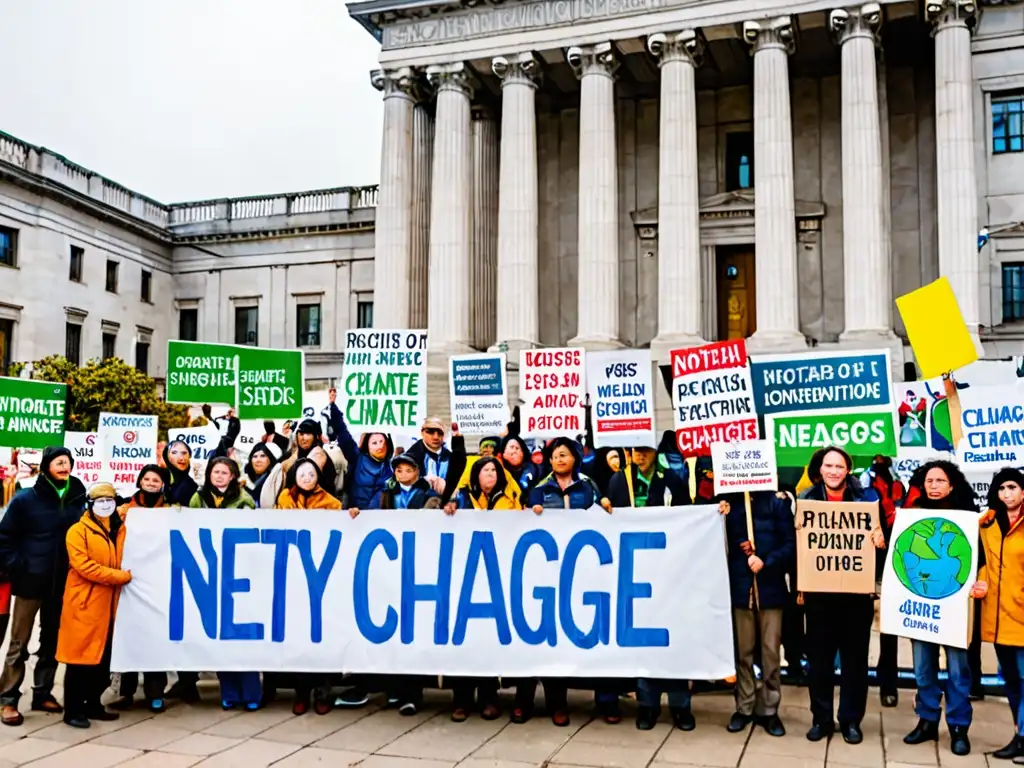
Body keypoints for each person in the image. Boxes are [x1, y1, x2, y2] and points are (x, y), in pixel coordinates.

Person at [599, 444, 694, 731]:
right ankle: (648, 705)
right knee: (645, 641)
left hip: (668, 568)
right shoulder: (619, 480)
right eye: (635, 450)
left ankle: (681, 707)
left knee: (672, 638)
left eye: (645, 450)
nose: (639, 455)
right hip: (635, 570)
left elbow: (687, 516)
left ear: (655, 452)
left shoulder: (671, 479)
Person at [798, 447, 886, 745]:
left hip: (855, 597)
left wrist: (880, 539)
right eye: (828, 465)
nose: (834, 471)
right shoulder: (806, 501)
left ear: (848, 470)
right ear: (819, 469)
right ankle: (821, 719)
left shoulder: (867, 499)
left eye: (839, 466)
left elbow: (883, 542)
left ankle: (850, 721)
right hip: (820, 597)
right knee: (819, 662)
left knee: (854, 662)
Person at [0, 446, 87, 726]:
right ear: (47, 466)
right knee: (19, 643)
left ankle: (43, 692)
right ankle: (8, 698)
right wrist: (18, 564)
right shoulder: (26, 498)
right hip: (29, 581)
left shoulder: (77, 497)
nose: (64, 466)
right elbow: (4, 537)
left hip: (63, 583)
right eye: (58, 462)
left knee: (52, 642)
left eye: (68, 462)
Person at [902, 459, 982, 757]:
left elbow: (980, 561)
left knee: (959, 670)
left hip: (956, 607)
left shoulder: (968, 518)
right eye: (929, 481)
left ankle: (959, 726)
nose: (934, 486)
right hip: (920, 607)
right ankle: (927, 719)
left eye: (940, 481)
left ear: (951, 484)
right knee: (923, 668)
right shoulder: (911, 517)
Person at [523, 437, 603, 727]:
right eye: (555, 455)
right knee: (534, 639)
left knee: (558, 642)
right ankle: (524, 700)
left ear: (574, 459)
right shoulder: (539, 489)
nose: (559, 459)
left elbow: (601, 519)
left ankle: (558, 703)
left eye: (564, 455)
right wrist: (531, 514)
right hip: (543, 573)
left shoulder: (588, 487)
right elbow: (523, 524)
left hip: (578, 572)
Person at [353, 453, 440, 715]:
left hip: (417, 569)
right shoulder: (384, 494)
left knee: (412, 635)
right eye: (399, 470)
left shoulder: (428, 494)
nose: (403, 474)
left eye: (408, 469)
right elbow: (368, 516)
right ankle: (394, 690)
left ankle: (411, 694)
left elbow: (432, 518)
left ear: (417, 472)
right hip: (390, 568)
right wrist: (358, 513)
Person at [443, 456, 517, 722]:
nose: (490, 474)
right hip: (464, 575)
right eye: (485, 470)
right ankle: (461, 699)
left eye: (494, 470)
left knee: (486, 640)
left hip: (494, 576)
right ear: (475, 475)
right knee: (462, 640)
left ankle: (488, 697)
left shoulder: (509, 499)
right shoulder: (461, 498)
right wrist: (449, 506)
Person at [57, 482, 132, 729]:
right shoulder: (77, 531)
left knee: (103, 659)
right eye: (100, 501)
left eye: (109, 500)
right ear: (90, 504)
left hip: (110, 605)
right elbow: (84, 566)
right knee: (79, 660)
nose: (105, 504)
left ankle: (94, 704)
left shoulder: (119, 529)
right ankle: (73, 710)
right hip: (85, 603)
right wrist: (119, 576)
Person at [189, 458, 260, 710]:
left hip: (239, 572)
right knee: (222, 638)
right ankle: (228, 692)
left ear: (232, 476)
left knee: (244, 636)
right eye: (215, 472)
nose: (219, 476)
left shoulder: (245, 499)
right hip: (211, 572)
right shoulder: (198, 499)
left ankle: (251, 694)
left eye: (224, 472)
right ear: (209, 475)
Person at [724, 488, 795, 738]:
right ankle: (744, 707)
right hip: (741, 589)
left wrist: (765, 558)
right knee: (743, 652)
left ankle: (769, 709)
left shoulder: (777, 503)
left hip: (770, 590)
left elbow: (790, 546)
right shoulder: (729, 504)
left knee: (770, 654)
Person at [275, 459, 341, 715]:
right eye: (301, 473)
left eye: (311, 473)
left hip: (323, 577)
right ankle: (301, 692)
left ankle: (323, 692)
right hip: (293, 577)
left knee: (324, 638)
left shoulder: (332, 503)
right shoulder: (284, 500)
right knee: (299, 638)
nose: (306, 477)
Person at [109, 466, 169, 712]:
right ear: (139, 481)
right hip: (129, 582)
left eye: (156, 480)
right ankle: (127, 692)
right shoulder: (124, 511)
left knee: (155, 638)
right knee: (129, 637)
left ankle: (155, 692)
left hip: (158, 583)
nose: (151, 483)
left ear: (163, 484)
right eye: (147, 479)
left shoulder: (169, 512)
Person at [975, 467, 1024, 760]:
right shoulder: (986, 523)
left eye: (1012, 487)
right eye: (1001, 488)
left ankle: (1022, 737)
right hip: (996, 614)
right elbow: (976, 557)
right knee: (1013, 682)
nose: (1007, 493)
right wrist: (980, 579)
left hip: (1021, 614)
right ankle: (1020, 736)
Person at [863, 454, 905, 708]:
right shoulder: (861, 480)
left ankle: (888, 682)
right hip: (864, 563)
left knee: (890, 629)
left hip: (894, 564)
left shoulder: (906, 480)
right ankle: (856, 679)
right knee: (858, 629)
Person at [335, 412, 395, 510]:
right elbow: (344, 436)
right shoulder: (357, 458)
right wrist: (334, 410)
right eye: (374, 443)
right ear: (367, 446)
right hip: (354, 515)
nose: (380, 446)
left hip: (380, 519)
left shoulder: (394, 467)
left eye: (382, 442)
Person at [163, 440, 199, 506]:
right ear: (166, 456)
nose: (181, 458)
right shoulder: (160, 478)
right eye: (174, 452)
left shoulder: (194, 484)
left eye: (184, 453)